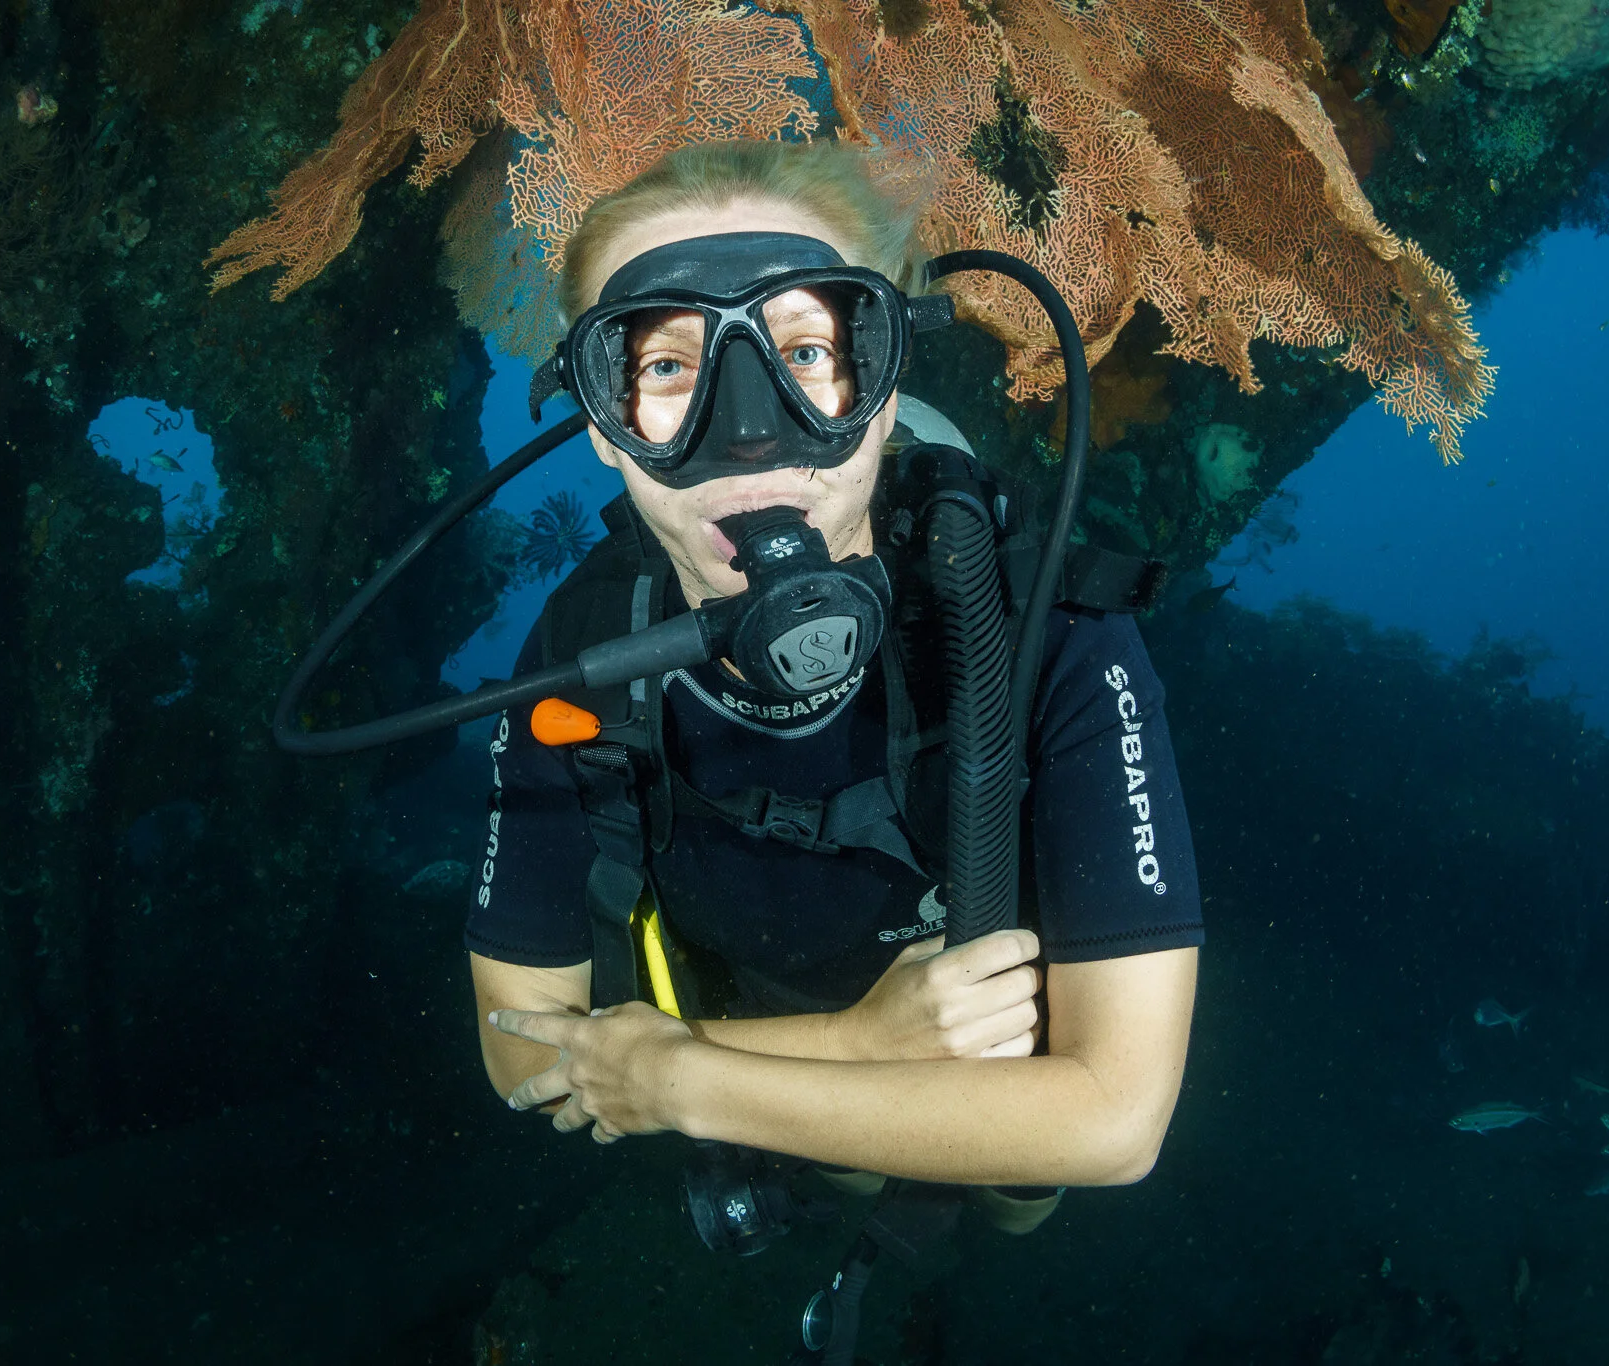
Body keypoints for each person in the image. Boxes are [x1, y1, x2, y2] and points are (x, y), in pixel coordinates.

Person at [466, 139, 1202, 1225]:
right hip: (772, 1045)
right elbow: (518, 1048)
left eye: (806, 351)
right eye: (667, 369)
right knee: (850, 1182)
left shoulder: (1046, 626)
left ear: (884, 389)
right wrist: (852, 1044)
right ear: (601, 430)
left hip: (992, 1054)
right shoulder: (580, 654)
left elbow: (1112, 1121)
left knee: (1020, 1207)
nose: (747, 437)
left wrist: (679, 1080)